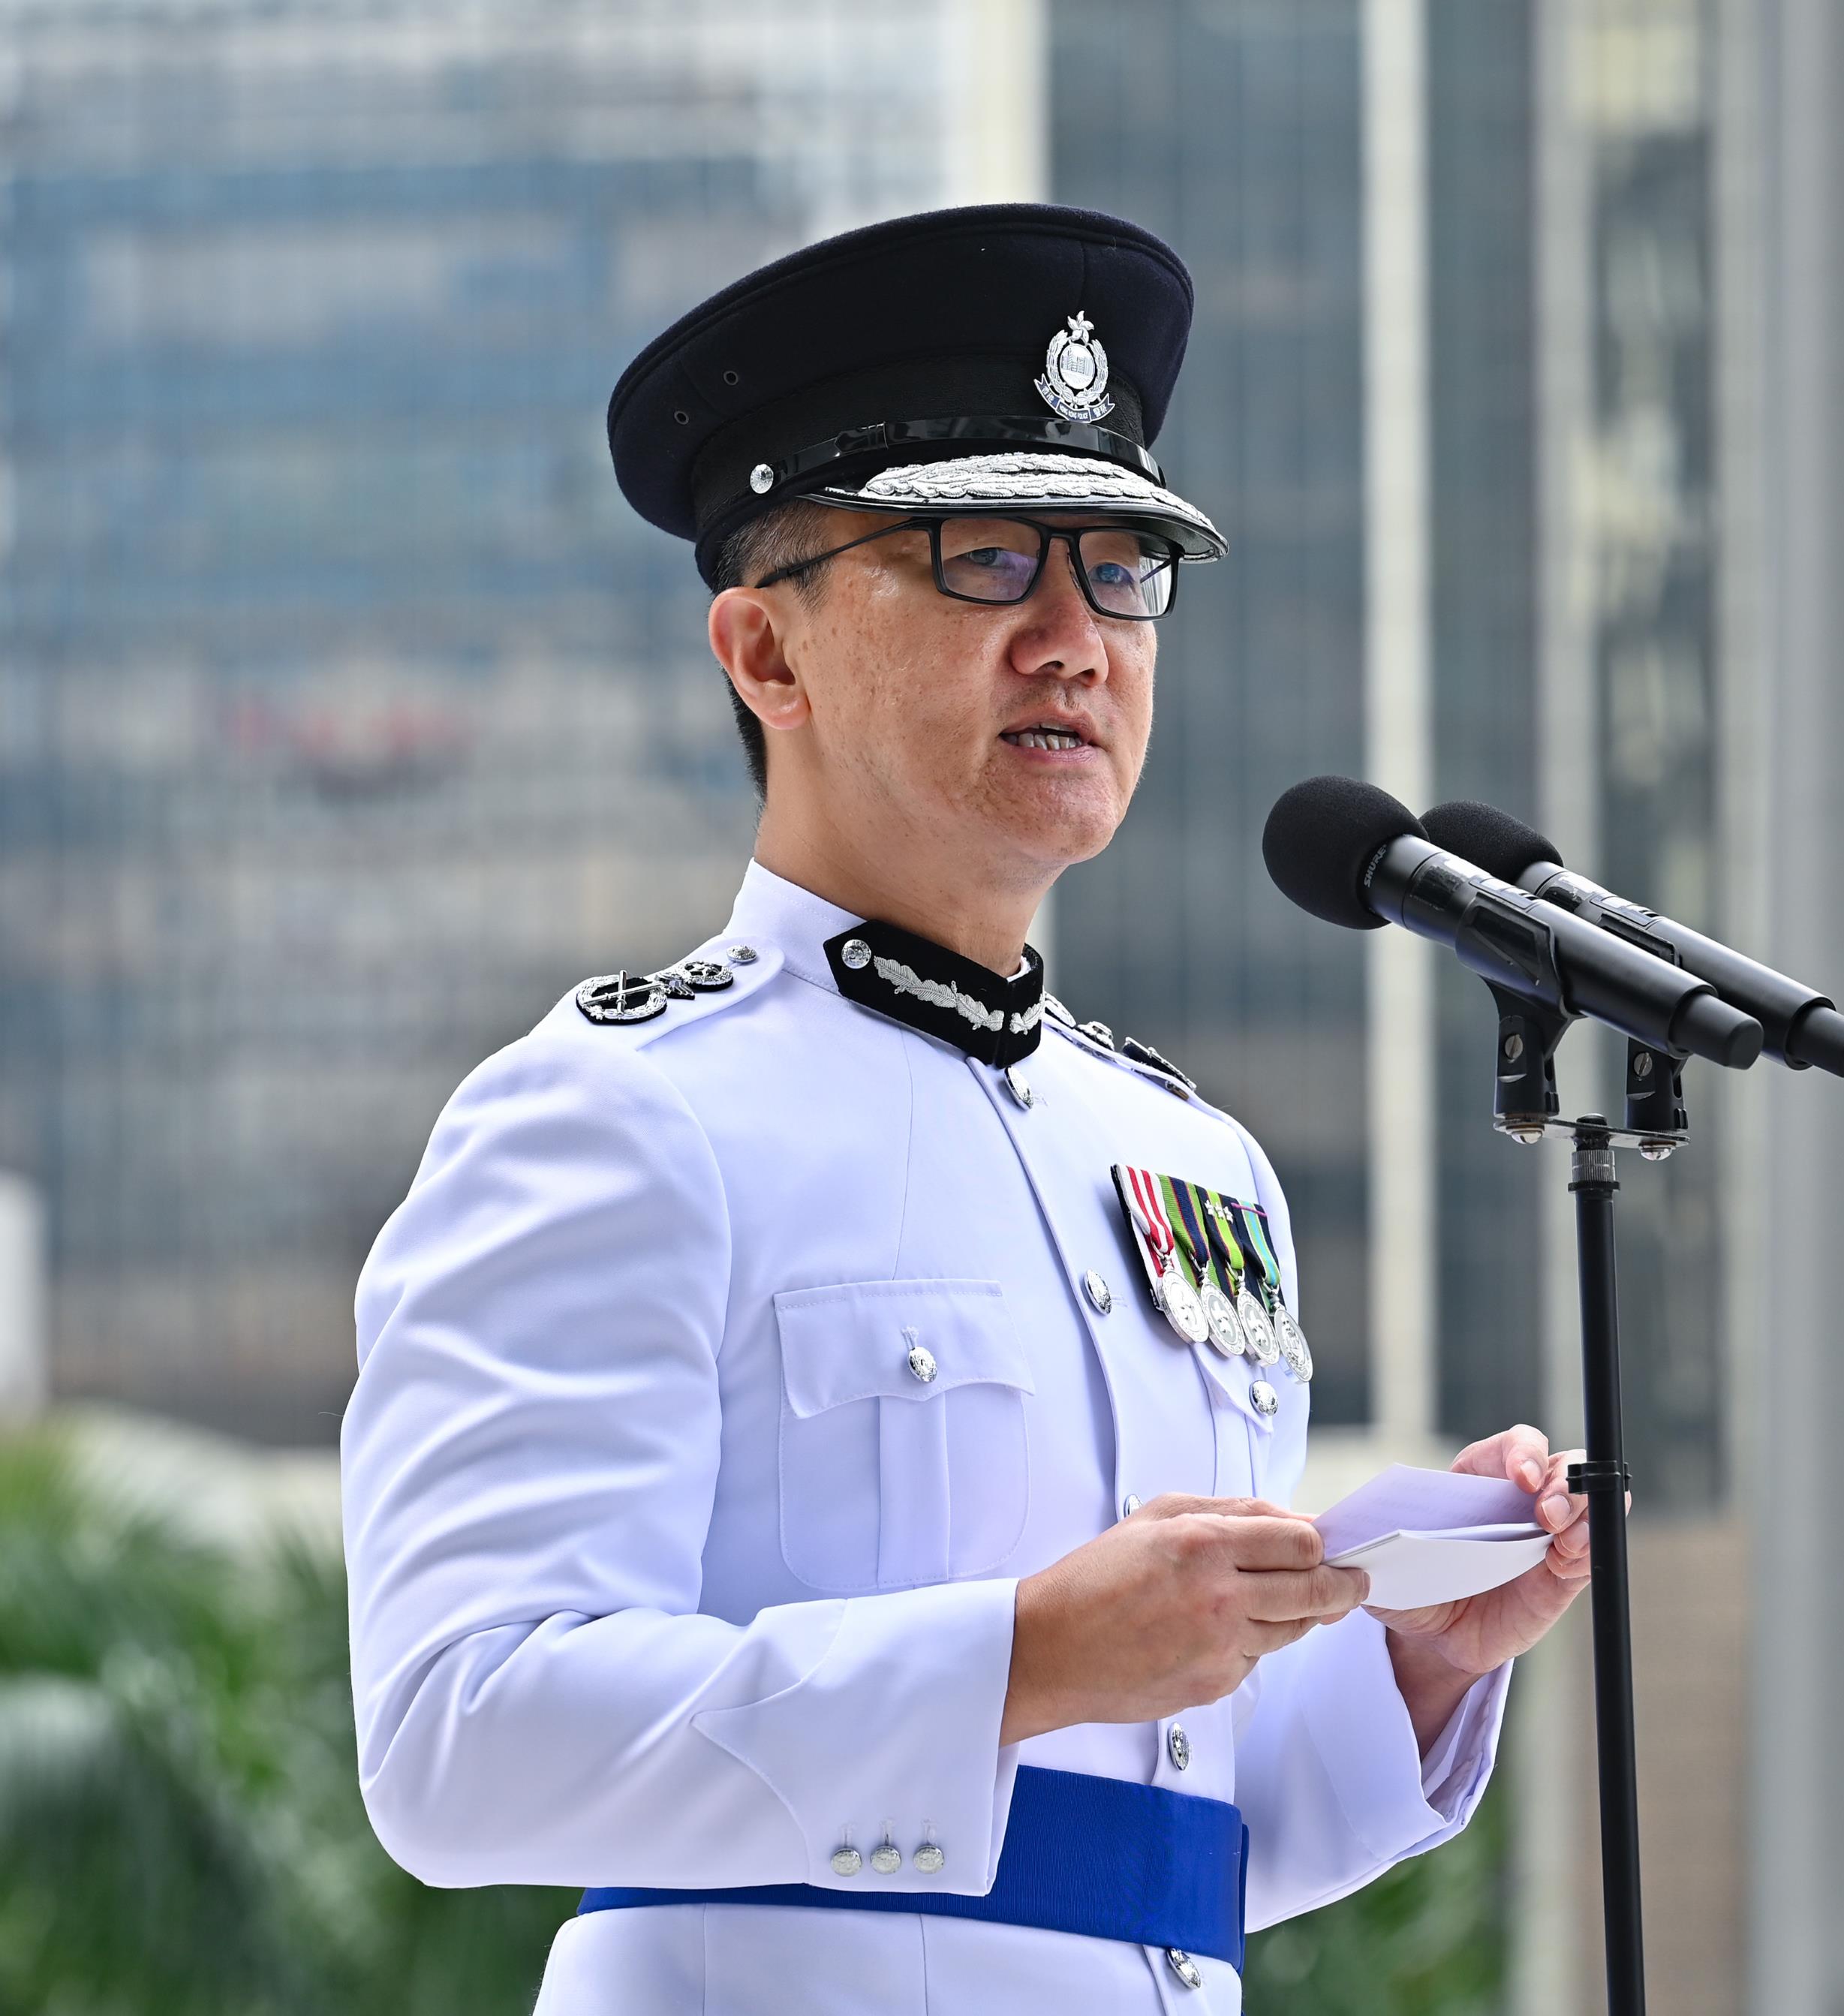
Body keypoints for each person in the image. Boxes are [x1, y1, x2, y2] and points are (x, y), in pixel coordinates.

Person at [340, 204, 1593, 2015]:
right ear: (766, 655)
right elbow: (460, 1741)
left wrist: (1395, 1666)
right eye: (989, 559)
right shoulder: (610, 1118)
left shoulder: (1189, 1160)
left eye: (1125, 569)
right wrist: (1015, 1654)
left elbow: (1145, 1851)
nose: (1077, 639)